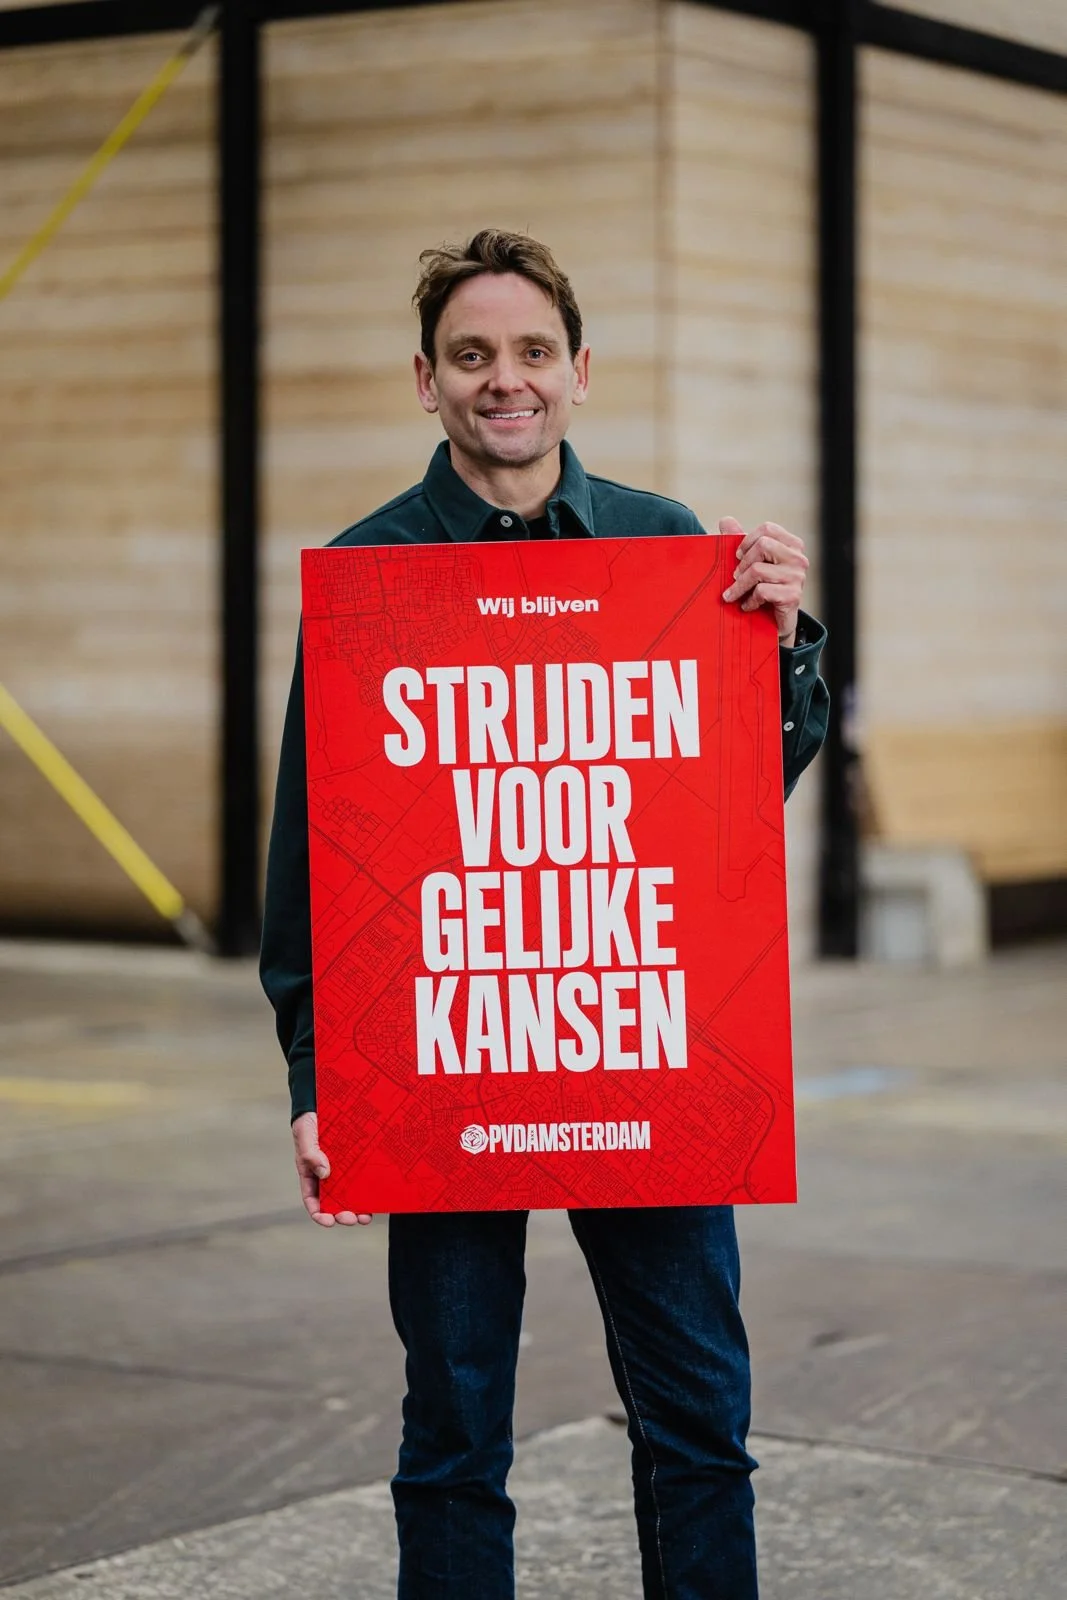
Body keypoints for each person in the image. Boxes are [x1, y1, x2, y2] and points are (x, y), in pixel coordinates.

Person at [261, 229, 828, 1600]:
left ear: (576, 372)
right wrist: (316, 1075)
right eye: (470, 356)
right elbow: (308, 859)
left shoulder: (665, 548)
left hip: (646, 1045)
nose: (500, 381)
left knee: (699, 1423)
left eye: (527, 353)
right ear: (425, 380)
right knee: (451, 1430)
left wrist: (785, 637)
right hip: (442, 1055)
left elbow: (739, 794)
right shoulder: (368, 573)